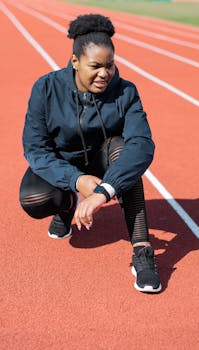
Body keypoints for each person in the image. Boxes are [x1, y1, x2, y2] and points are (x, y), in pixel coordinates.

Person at [19, 14, 162, 293]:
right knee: (34, 199)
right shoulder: (46, 88)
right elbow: (36, 149)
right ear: (75, 62)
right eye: (95, 66)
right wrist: (77, 181)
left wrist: (104, 190)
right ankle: (65, 206)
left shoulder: (125, 92)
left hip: (103, 159)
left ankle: (142, 250)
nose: (104, 74)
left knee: (126, 153)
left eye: (110, 66)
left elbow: (142, 144)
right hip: (63, 162)